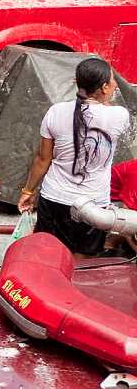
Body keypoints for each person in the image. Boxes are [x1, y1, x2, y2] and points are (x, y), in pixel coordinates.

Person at [19, 55, 129, 255]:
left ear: (76, 83)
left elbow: (43, 159)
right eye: (112, 81)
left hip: (54, 198)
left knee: (47, 255)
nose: (115, 85)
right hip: (93, 206)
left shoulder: (55, 112)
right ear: (104, 87)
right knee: (81, 261)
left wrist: (28, 191)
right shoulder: (119, 115)